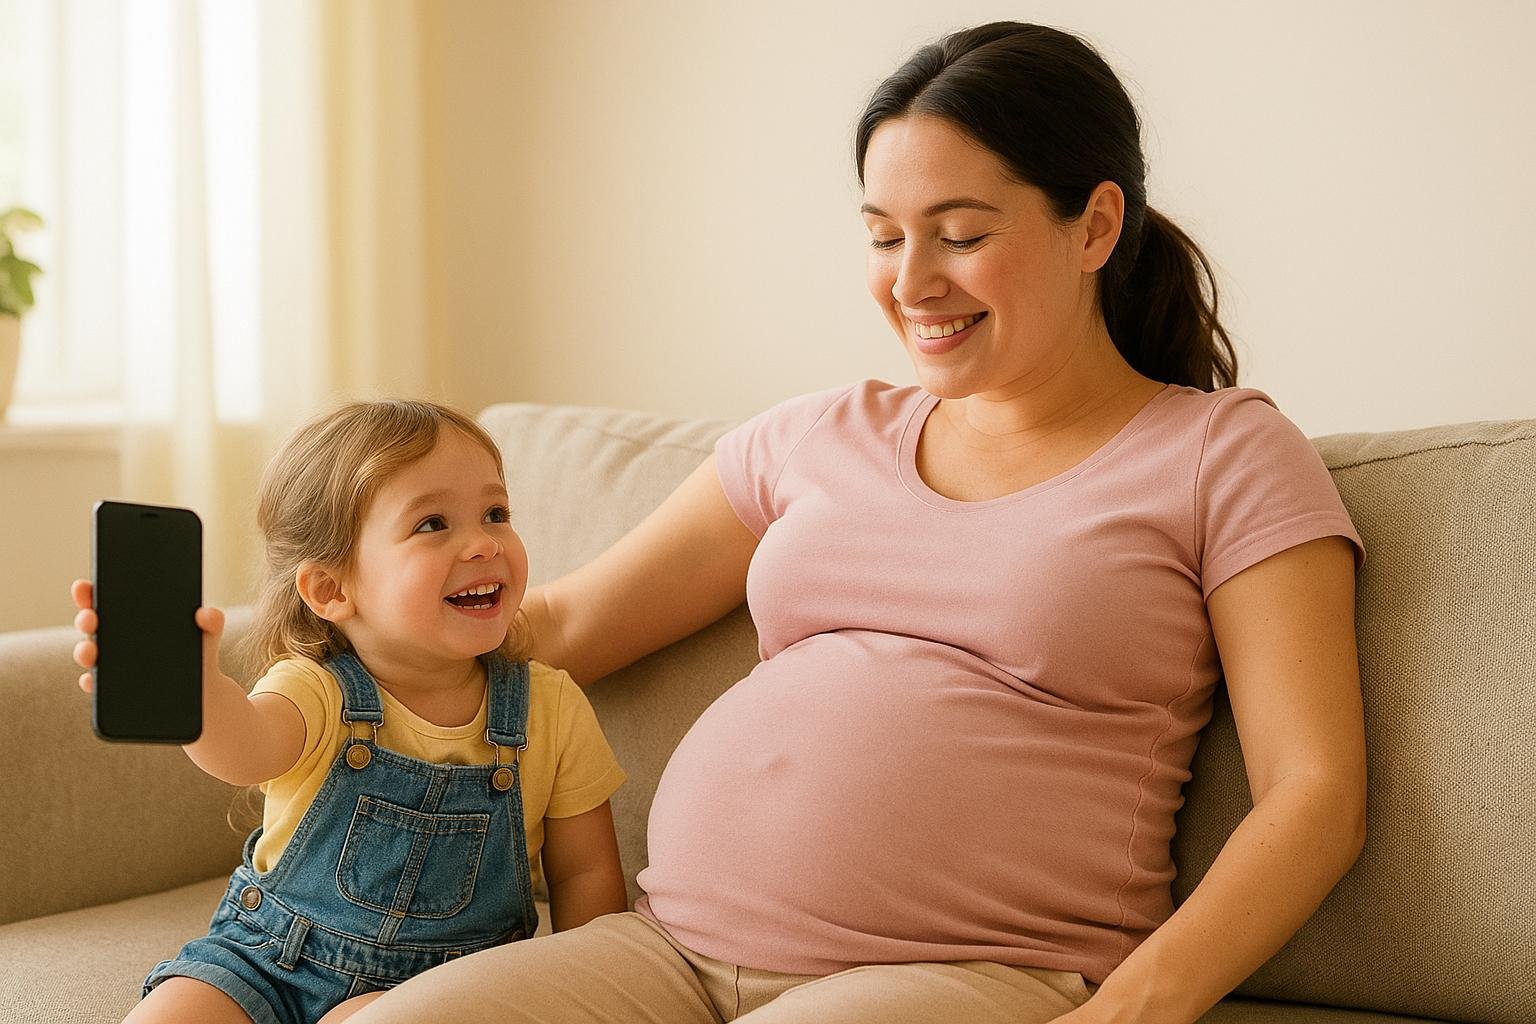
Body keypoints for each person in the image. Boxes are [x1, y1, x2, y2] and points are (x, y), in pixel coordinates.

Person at [350, 20, 1368, 1024]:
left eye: (962, 235)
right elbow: (560, 631)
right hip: (665, 950)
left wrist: (1135, 1009)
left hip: (978, 972)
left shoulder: (1219, 455)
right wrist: (334, 622)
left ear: (1095, 226)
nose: (911, 281)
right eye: (885, 235)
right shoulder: (818, 434)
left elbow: (1313, 791)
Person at [68, 400, 629, 1024]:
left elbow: (586, 876)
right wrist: (194, 688)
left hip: (450, 992)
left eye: (495, 513)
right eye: (433, 524)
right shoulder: (317, 691)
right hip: (268, 960)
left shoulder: (551, 708)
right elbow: (244, 747)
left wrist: (585, 992)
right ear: (332, 590)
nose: (481, 544)